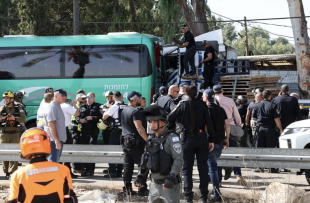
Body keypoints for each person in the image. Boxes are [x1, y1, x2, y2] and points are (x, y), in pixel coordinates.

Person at [168, 85, 214, 203]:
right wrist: (211, 140)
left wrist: (177, 106)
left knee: (187, 170)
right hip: (202, 139)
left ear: (185, 93)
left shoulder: (182, 105)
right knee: (203, 169)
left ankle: (188, 196)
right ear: (197, 93)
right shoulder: (203, 105)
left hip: (187, 139)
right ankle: (203, 196)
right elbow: (209, 124)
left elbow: (169, 118)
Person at [8, 128, 78, 203]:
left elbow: (13, 201)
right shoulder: (63, 170)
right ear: (48, 145)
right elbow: (70, 198)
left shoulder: (18, 175)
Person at [135, 105, 183, 203]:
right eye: (150, 122)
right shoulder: (151, 140)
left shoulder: (172, 138)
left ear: (163, 122)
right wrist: (140, 175)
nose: (151, 125)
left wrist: (171, 176)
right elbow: (146, 159)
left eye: (154, 122)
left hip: (169, 185)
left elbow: (178, 159)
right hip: (154, 185)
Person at [213, 85, 247, 186]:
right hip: (230, 129)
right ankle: (238, 175)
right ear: (222, 91)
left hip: (217, 130)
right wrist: (239, 125)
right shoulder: (230, 101)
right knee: (234, 153)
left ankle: (218, 181)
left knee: (217, 155)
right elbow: (236, 115)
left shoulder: (211, 101)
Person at [119, 91, 148, 196]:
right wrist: (147, 140)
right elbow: (139, 128)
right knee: (143, 164)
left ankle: (127, 189)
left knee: (128, 166)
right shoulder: (135, 111)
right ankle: (142, 188)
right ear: (135, 99)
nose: (140, 100)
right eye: (139, 98)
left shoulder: (124, 110)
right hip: (135, 143)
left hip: (125, 142)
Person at [203, 89, 229, 202]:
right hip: (220, 142)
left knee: (212, 168)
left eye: (203, 96)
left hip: (210, 143)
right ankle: (228, 168)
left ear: (206, 97)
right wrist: (227, 138)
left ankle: (217, 196)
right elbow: (227, 125)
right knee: (213, 166)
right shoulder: (221, 109)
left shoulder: (205, 109)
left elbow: (205, 127)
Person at [252, 90, 283, 173]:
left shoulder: (257, 105)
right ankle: (272, 168)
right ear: (270, 96)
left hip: (260, 129)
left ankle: (260, 167)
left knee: (260, 148)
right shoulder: (273, 106)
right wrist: (280, 129)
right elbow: (276, 119)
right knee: (271, 148)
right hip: (270, 129)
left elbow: (254, 119)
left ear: (262, 96)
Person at [0, 91, 26, 179]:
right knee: (5, 154)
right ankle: (6, 172)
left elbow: (23, 118)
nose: (5, 100)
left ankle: (13, 173)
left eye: (7, 98)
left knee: (14, 153)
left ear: (12, 99)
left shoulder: (18, 108)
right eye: (5, 98)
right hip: (3, 134)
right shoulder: (1, 109)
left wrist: (15, 118)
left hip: (14, 133)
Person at [76, 92, 102, 176]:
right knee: (84, 151)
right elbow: (76, 117)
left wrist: (92, 118)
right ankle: (85, 169)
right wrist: (80, 120)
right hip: (83, 132)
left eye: (90, 97)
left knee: (92, 151)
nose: (88, 98)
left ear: (94, 97)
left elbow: (101, 117)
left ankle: (91, 170)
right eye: (87, 97)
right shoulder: (82, 106)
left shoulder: (98, 106)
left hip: (92, 132)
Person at [102, 91, 127, 178]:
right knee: (122, 152)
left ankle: (113, 172)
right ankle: (119, 171)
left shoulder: (114, 107)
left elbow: (104, 116)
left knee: (112, 151)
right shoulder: (126, 106)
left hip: (115, 132)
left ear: (113, 98)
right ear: (121, 97)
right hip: (124, 132)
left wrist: (109, 107)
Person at [43, 88, 67, 163]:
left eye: (65, 96)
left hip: (57, 141)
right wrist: (56, 140)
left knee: (55, 163)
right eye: (62, 96)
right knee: (53, 163)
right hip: (54, 141)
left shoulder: (57, 106)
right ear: (56, 96)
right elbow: (51, 124)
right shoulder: (52, 107)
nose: (65, 97)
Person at [60, 97, 80, 179]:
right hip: (65, 130)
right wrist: (74, 104)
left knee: (59, 151)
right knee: (68, 151)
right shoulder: (66, 106)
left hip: (57, 130)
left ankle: (60, 172)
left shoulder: (55, 106)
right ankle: (68, 172)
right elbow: (77, 113)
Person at [71, 93, 87, 175]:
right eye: (82, 99)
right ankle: (76, 167)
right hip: (75, 131)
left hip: (81, 131)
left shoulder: (82, 107)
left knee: (81, 149)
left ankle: (80, 166)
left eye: (85, 99)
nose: (84, 100)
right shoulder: (74, 107)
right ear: (78, 99)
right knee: (76, 149)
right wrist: (81, 120)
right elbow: (75, 118)